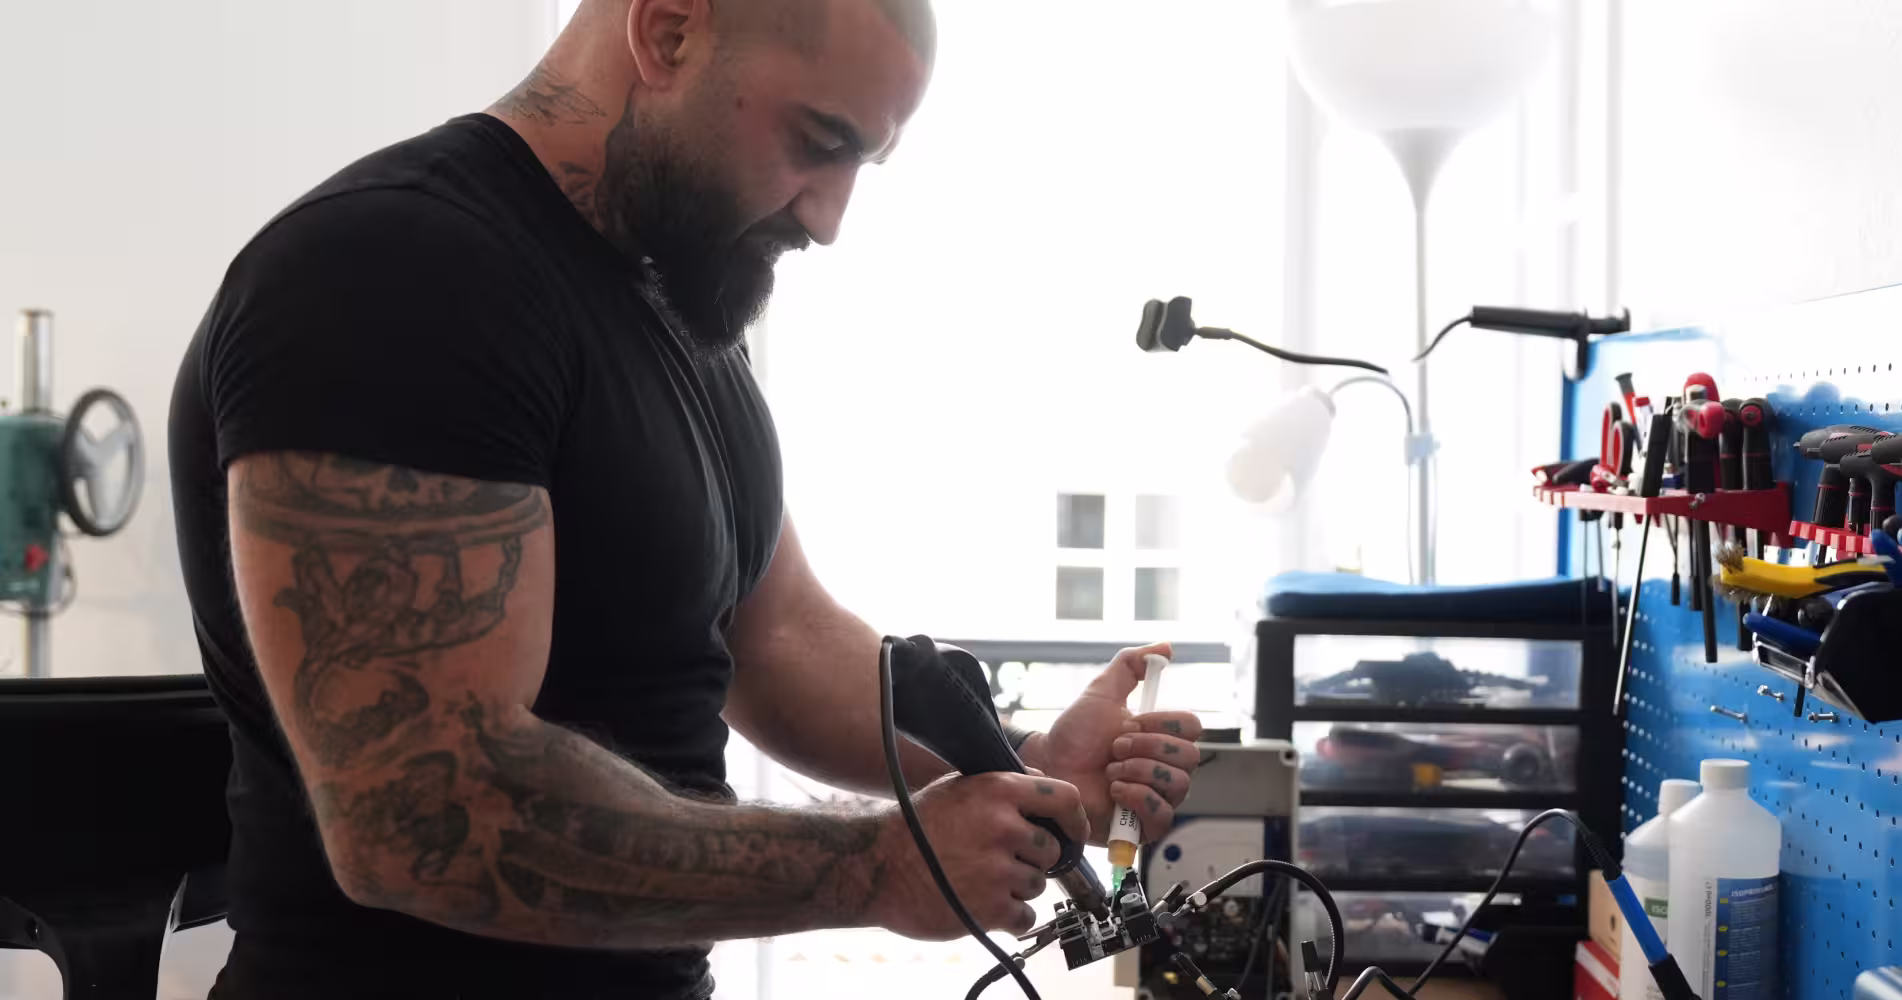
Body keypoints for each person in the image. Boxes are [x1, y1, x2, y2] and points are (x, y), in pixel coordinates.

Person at [166, 1, 1206, 996]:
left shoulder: (677, 303)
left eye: (861, 162)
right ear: (668, 30)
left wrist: (1021, 761)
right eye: (820, 139)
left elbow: (783, 638)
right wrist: (871, 867)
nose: (830, 215)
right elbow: (424, 812)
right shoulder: (393, 275)